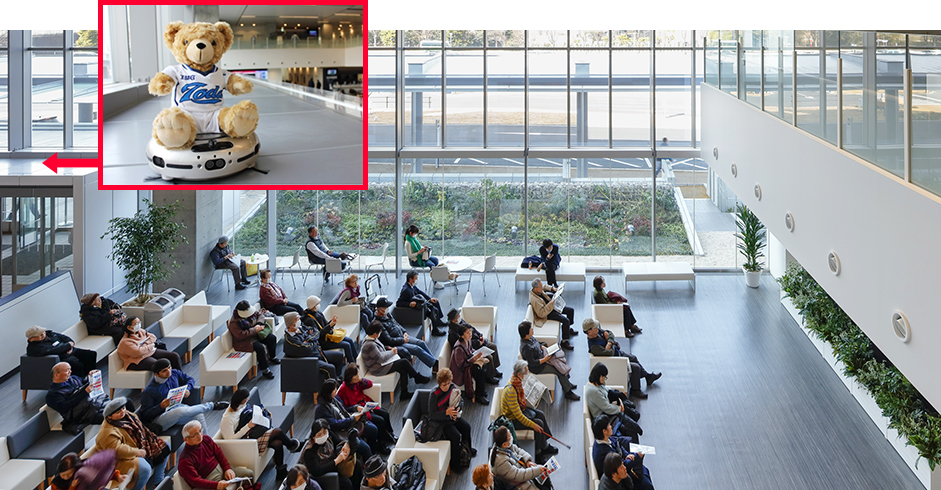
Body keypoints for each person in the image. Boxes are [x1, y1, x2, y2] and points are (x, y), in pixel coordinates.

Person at [220, 388, 302, 482]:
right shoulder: (227, 419)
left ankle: (281, 472)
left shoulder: (239, 406)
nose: (247, 401)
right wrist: (248, 426)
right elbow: (230, 440)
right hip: (245, 443)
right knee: (277, 432)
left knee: (277, 443)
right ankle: (291, 445)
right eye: (245, 400)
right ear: (240, 400)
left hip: (252, 433)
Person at [95, 397, 169, 490]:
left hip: (134, 446)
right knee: (145, 468)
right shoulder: (107, 432)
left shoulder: (128, 415)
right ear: (109, 416)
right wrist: (136, 452)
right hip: (118, 459)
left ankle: (158, 481)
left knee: (164, 446)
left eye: (123, 408)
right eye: (118, 412)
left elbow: (141, 429)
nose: (122, 412)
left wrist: (148, 440)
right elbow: (118, 450)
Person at [139, 358, 228, 432]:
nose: (168, 371)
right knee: (180, 411)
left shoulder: (174, 373)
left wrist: (188, 389)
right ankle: (211, 406)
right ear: (156, 374)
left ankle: (206, 443)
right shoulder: (149, 391)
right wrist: (160, 407)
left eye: (169, 367)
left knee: (198, 415)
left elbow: (190, 379)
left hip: (177, 407)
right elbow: (145, 415)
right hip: (161, 418)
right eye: (164, 371)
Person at [583, 319, 661, 400]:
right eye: (595, 327)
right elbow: (610, 353)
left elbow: (609, 333)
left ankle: (648, 377)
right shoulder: (594, 347)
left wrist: (609, 342)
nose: (597, 328)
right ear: (589, 331)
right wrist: (610, 342)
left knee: (633, 358)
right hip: (615, 361)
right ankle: (635, 390)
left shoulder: (597, 332)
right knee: (635, 367)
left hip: (618, 353)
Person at [500, 360, 558, 464]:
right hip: (512, 420)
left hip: (519, 411)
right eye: (525, 373)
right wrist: (532, 425)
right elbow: (518, 416)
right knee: (538, 423)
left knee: (540, 414)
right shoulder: (511, 391)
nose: (527, 375)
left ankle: (544, 445)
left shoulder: (516, 383)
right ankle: (538, 452)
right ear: (519, 374)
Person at [178, 420, 258, 490]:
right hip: (208, 481)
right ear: (186, 439)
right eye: (195, 434)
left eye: (200, 430)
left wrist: (227, 468)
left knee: (249, 473)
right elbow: (195, 481)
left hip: (221, 470)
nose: (199, 435)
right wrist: (217, 485)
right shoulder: (185, 460)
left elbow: (218, 453)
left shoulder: (206, 439)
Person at [360, 320, 431, 400]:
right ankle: (417, 377)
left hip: (380, 363)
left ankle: (404, 393)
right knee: (404, 362)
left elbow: (379, 348)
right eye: (379, 332)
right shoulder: (370, 345)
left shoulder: (371, 339)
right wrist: (392, 352)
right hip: (378, 368)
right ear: (375, 334)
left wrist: (387, 348)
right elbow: (381, 359)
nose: (380, 333)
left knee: (403, 369)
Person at [315, 378, 383, 458]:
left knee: (373, 429)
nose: (336, 392)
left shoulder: (333, 399)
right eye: (334, 390)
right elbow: (334, 424)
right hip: (342, 432)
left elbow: (343, 409)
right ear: (328, 392)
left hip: (348, 423)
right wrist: (352, 420)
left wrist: (355, 408)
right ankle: (370, 460)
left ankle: (373, 454)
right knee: (365, 448)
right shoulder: (321, 409)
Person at [425, 368, 476, 470]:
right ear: (439, 383)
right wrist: (446, 413)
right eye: (444, 385)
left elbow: (460, 400)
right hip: (441, 422)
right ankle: (454, 463)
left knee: (466, 427)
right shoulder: (434, 394)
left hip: (452, 417)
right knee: (455, 436)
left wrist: (458, 409)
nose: (447, 386)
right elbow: (431, 415)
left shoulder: (452, 387)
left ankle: (468, 449)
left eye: (448, 383)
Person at [337, 363, 397, 446]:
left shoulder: (357, 382)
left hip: (366, 404)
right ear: (351, 377)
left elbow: (370, 384)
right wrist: (355, 407)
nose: (358, 376)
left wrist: (361, 379)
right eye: (356, 375)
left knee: (385, 413)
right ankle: (382, 441)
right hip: (360, 411)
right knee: (380, 420)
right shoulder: (343, 389)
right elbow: (342, 407)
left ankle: (390, 433)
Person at [518, 321, 579, 401]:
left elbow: (538, 343)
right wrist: (545, 359)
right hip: (539, 367)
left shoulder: (530, 338)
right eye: (530, 329)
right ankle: (568, 392)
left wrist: (543, 347)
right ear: (526, 333)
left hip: (543, 356)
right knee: (559, 369)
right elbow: (532, 363)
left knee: (559, 361)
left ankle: (567, 384)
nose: (532, 329)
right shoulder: (526, 348)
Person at [592, 416, 654, 490]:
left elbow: (618, 446)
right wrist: (637, 456)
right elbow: (620, 467)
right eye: (609, 425)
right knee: (646, 484)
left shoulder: (603, 439)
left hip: (620, 470)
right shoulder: (604, 454)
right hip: (618, 478)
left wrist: (627, 455)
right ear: (604, 431)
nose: (611, 426)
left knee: (644, 472)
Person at [586, 363, 642, 443]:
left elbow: (606, 390)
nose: (605, 379)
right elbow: (607, 408)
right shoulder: (594, 391)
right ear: (600, 376)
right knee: (629, 421)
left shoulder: (595, 385)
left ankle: (636, 429)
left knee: (628, 411)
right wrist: (619, 408)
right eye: (605, 377)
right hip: (605, 416)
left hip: (607, 413)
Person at [46, 362, 109, 434]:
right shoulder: (53, 394)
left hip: (94, 404)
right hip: (82, 414)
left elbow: (86, 384)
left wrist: (91, 376)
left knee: (117, 407)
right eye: (67, 370)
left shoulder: (73, 378)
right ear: (56, 375)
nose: (70, 372)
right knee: (111, 415)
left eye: (70, 369)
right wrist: (84, 393)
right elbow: (64, 407)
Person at [374, 297, 436, 368]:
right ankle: (435, 364)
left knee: (421, 343)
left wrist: (404, 332)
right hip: (396, 343)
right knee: (417, 349)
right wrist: (403, 340)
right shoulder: (378, 324)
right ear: (380, 309)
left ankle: (433, 362)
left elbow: (397, 324)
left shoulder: (387, 315)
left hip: (402, 336)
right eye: (386, 307)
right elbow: (389, 340)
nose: (388, 308)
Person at [284, 311, 343, 379]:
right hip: (310, 360)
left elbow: (316, 331)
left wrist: (308, 339)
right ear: (291, 324)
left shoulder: (300, 327)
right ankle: (333, 383)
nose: (299, 320)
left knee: (339, 356)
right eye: (297, 319)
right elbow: (306, 348)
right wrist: (313, 340)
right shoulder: (290, 340)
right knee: (330, 368)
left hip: (317, 352)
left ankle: (337, 378)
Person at [446, 308, 502, 380]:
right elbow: (464, 343)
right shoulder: (453, 333)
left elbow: (472, 328)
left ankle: (494, 369)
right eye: (457, 315)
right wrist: (478, 343)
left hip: (477, 341)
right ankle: (490, 376)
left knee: (493, 346)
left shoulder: (461, 322)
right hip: (473, 347)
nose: (459, 316)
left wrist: (480, 335)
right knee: (489, 357)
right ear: (453, 319)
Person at [228, 301, 279, 380]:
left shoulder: (252, 312)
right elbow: (241, 335)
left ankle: (272, 357)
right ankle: (265, 369)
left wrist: (259, 324)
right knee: (260, 348)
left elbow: (260, 315)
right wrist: (255, 329)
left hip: (256, 334)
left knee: (272, 338)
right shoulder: (234, 323)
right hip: (244, 341)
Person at [302, 419, 358, 490]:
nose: (323, 436)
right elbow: (317, 471)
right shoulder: (309, 451)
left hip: (334, 465)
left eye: (325, 432)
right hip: (324, 474)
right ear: (313, 436)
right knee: (345, 483)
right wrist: (336, 461)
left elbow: (339, 442)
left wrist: (346, 444)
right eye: (319, 434)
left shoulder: (329, 436)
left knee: (357, 465)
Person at [490, 426, 549, 490]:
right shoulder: (501, 463)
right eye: (510, 437)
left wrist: (527, 461)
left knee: (545, 479)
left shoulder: (506, 447)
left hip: (524, 475)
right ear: (504, 444)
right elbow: (518, 475)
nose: (511, 437)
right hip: (518, 485)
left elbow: (519, 450)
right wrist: (537, 470)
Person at [303, 295, 358, 364]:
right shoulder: (309, 320)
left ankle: (357, 360)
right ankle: (352, 364)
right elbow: (318, 334)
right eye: (317, 304)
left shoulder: (318, 313)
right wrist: (330, 325)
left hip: (329, 336)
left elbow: (326, 325)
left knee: (349, 340)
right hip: (323, 342)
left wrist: (332, 322)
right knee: (346, 345)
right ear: (313, 306)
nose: (319, 305)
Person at [25, 325, 96, 377]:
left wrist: (70, 344)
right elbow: (54, 350)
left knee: (91, 354)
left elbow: (64, 337)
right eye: (39, 334)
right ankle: (80, 383)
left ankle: (91, 377)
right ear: (31, 339)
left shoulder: (50, 334)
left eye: (43, 332)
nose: (43, 334)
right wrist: (68, 346)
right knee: (77, 365)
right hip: (60, 358)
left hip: (69, 351)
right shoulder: (34, 348)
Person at [117, 316, 182, 372]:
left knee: (174, 356)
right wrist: (151, 345)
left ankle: (180, 377)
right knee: (160, 364)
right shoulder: (126, 342)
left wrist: (145, 344)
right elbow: (138, 352)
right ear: (129, 327)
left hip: (149, 352)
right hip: (136, 361)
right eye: (137, 323)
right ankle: (168, 381)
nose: (139, 324)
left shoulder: (141, 331)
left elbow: (153, 337)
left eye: (139, 322)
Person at [529, 278, 577, 350]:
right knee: (565, 320)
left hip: (550, 306)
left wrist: (553, 289)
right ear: (536, 288)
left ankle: (568, 328)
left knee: (570, 310)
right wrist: (550, 305)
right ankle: (564, 341)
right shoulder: (535, 300)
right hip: (547, 313)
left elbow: (544, 286)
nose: (542, 288)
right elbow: (541, 314)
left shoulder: (537, 290)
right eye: (540, 287)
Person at [450, 325, 491, 404]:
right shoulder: (458, 348)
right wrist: (474, 358)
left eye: (470, 331)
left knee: (483, 366)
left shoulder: (468, 340)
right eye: (467, 332)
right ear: (462, 335)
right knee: (478, 370)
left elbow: (471, 350)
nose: (470, 334)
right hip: (460, 370)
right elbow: (460, 364)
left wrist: (478, 354)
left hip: (467, 362)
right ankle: (479, 395)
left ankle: (481, 391)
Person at [52, 450, 127, 490]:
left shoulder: (83, 470)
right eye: (62, 474)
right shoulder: (57, 483)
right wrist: (72, 487)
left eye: (68, 474)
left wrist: (118, 476)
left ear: (75, 469)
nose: (65, 477)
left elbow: (100, 472)